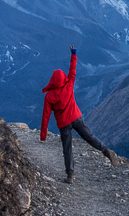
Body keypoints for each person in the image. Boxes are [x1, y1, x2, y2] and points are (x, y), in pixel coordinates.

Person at [38, 47, 116, 181]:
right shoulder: (68, 85)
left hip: (64, 124)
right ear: (63, 79)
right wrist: (73, 54)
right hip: (76, 118)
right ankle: (106, 151)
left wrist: (43, 135)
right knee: (89, 137)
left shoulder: (49, 96)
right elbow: (72, 70)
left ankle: (70, 175)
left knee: (67, 148)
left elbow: (46, 116)